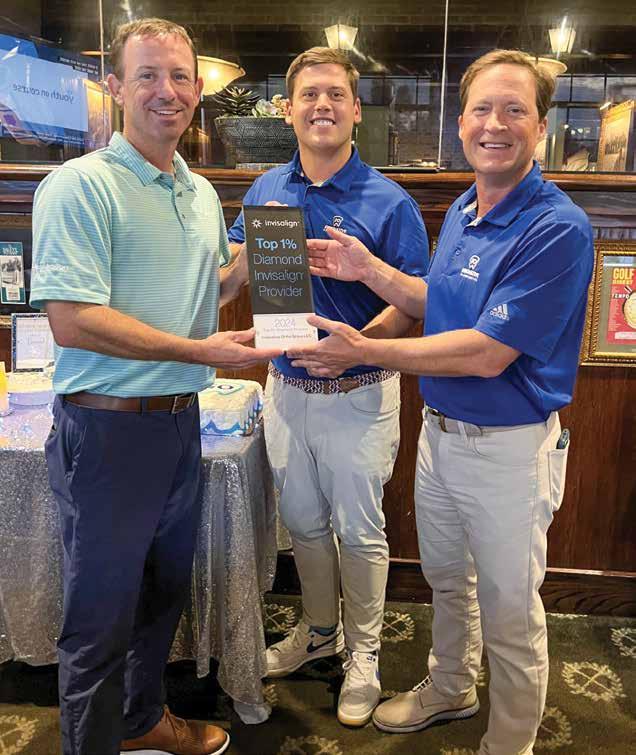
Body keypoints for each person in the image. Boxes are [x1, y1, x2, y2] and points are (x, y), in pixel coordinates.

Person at [288, 49, 594, 754]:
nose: (495, 125)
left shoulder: (558, 226)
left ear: (541, 126)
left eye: (515, 110)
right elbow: (442, 302)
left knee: (511, 614)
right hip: (440, 437)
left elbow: (486, 351)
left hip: (509, 452)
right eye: (482, 109)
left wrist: (364, 350)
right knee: (448, 582)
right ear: (461, 123)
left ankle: (508, 743)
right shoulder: (464, 207)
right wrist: (372, 271)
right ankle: (452, 687)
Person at [30, 18, 279, 755]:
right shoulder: (79, 186)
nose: (166, 91)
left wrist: (264, 252)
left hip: (179, 422)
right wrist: (201, 349)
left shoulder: (199, 193)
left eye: (179, 77)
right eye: (147, 75)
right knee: (99, 616)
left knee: (161, 595)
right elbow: (73, 319)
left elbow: (211, 290)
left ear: (197, 90)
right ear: (114, 86)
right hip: (107, 429)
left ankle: (141, 722)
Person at [227, 47, 429, 726]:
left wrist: (356, 347)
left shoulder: (390, 201)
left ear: (355, 110)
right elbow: (231, 274)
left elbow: (413, 304)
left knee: (361, 531)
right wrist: (228, 258)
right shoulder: (265, 189)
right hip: (285, 391)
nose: (322, 105)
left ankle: (365, 653)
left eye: (336, 94)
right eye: (309, 94)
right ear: (287, 110)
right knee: (305, 525)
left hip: (360, 392)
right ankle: (320, 632)